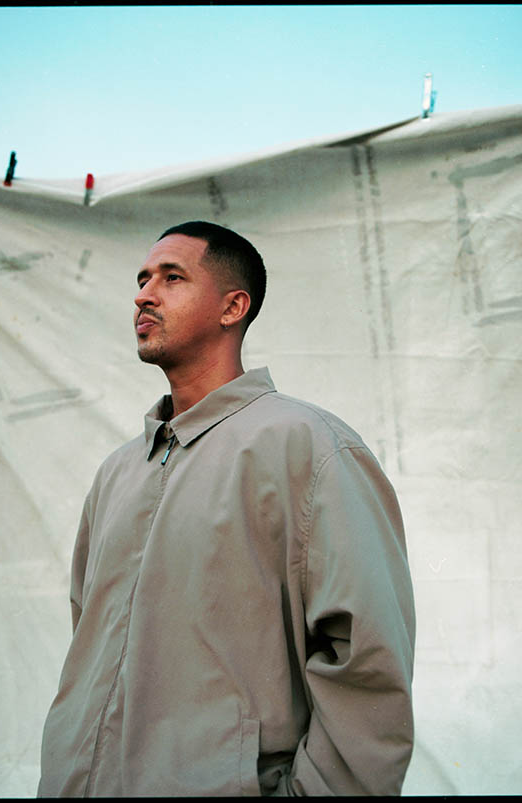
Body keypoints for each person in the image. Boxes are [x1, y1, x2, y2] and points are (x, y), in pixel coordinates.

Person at [37, 221, 415, 797]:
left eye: (171, 277)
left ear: (232, 306)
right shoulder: (118, 471)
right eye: (142, 279)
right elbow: (87, 639)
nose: (143, 294)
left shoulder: (309, 446)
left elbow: (365, 660)